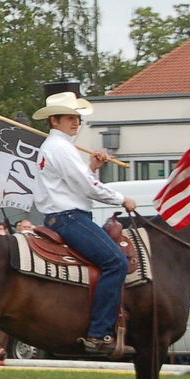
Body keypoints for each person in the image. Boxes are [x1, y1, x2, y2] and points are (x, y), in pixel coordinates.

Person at [30, 90, 137, 356]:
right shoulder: (60, 148)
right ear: (53, 121)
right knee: (116, 262)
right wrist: (121, 199)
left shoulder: (56, 148)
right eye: (69, 118)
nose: (75, 122)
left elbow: (74, 184)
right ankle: (98, 333)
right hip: (69, 218)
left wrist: (91, 166)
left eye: (77, 118)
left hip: (62, 215)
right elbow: (87, 188)